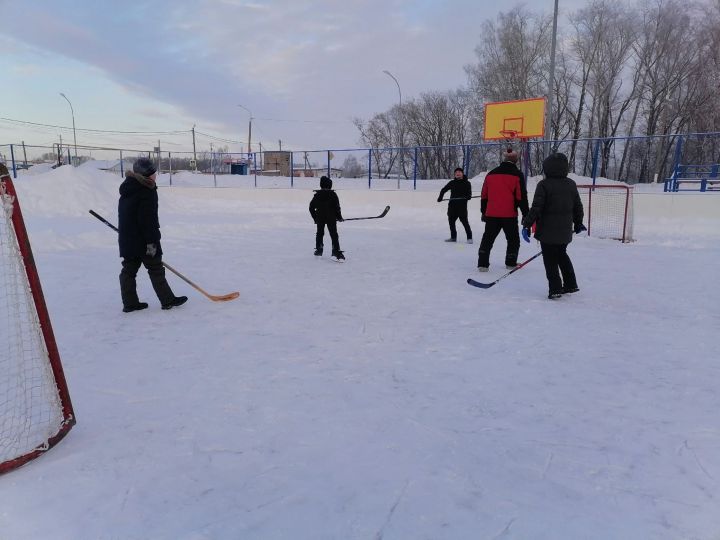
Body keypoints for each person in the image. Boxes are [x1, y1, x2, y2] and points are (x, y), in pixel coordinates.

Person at [118, 157, 187, 312]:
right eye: (153, 173)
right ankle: (168, 300)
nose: (155, 175)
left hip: (128, 239)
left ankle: (130, 303)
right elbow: (147, 220)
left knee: (128, 271)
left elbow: (127, 217)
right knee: (155, 268)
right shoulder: (146, 190)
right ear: (146, 175)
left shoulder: (127, 189)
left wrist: (127, 235)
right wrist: (151, 242)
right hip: (144, 241)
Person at [521, 152, 586, 300]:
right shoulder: (571, 184)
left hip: (547, 232)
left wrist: (527, 225)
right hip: (564, 231)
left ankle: (555, 288)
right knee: (562, 255)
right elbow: (578, 206)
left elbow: (536, 207)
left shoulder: (544, 184)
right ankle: (570, 284)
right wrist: (578, 222)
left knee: (550, 260)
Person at [477, 149, 528, 271]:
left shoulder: (491, 174)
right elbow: (521, 197)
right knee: (513, 239)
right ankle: (510, 263)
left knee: (487, 239)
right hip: (509, 214)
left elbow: (484, 195)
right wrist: (526, 214)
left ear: (504, 159)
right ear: (515, 160)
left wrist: (484, 212)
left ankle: (482, 264)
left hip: (491, 213)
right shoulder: (517, 174)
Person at [309, 176, 345, 261]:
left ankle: (319, 250)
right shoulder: (333, 195)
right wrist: (339, 217)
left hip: (320, 218)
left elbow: (311, 208)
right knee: (334, 235)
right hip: (331, 218)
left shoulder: (317, 195)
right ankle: (335, 252)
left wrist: (315, 218)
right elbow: (337, 208)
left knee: (319, 233)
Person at [437, 167, 473, 243]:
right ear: (455, 174)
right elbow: (443, 190)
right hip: (452, 207)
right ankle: (453, 237)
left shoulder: (467, 183)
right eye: (456, 172)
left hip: (462, 207)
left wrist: (467, 197)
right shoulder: (452, 183)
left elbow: (469, 195)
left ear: (462, 173)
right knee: (451, 222)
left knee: (465, 222)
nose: (458, 173)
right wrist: (440, 197)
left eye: (459, 172)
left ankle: (469, 238)